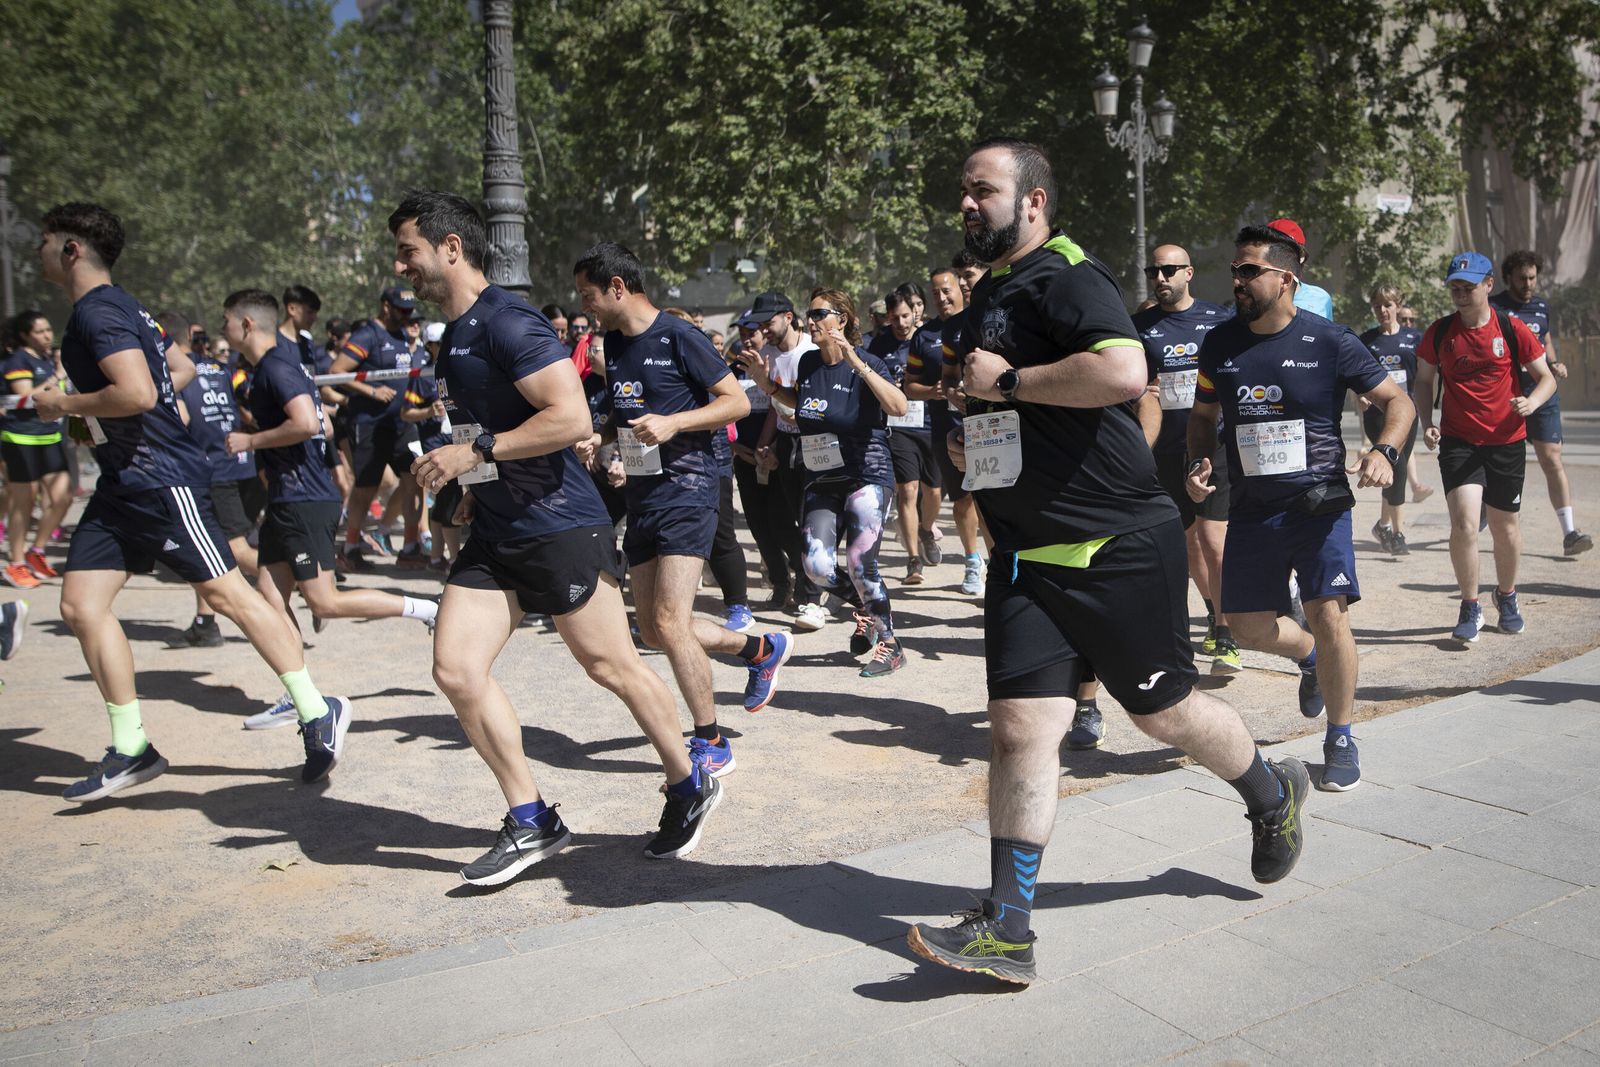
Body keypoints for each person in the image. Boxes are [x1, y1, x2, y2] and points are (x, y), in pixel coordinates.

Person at [907, 141, 1311, 986]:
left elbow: (1125, 371)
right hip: (1025, 554)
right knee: (1020, 729)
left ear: (1035, 201)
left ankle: (1271, 792)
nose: (968, 204)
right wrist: (975, 433)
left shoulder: (1066, 275)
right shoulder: (991, 295)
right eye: (963, 193)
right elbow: (1016, 404)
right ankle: (1008, 925)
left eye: (984, 190)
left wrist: (1011, 383)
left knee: (1164, 715)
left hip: (1115, 545)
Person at [393, 192, 721, 874]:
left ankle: (689, 781)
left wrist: (475, 453)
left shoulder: (508, 322)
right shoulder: (453, 334)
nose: (401, 267)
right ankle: (531, 816)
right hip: (496, 529)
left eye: (409, 251)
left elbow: (570, 418)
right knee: (454, 667)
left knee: (612, 666)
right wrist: (465, 488)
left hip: (559, 525)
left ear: (451, 249)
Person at [30, 202, 350, 800]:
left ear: (71, 249)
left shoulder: (100, 312)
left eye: (45, 241)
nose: (37, 250)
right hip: (123, 483)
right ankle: (132, 748)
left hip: (161, 482)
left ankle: (316, 709)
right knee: (79, 605)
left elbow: (138, 387)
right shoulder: (124, 306)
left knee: (227, 593)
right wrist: (138, 411)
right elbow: (174, 372)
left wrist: (66, 405)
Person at [1187, 224, 1415, 797]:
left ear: (1286, 278)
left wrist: (1385, 450)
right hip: (1254, 509)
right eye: (1235, 270)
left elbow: (1399, 402)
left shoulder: (1330, 340)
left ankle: (1340, 736)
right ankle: (1310, 656)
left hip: (1321, 505)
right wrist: (1198, 460)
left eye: (1249, 271)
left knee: (1328, 611)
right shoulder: (1220, 344)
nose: (1236, 280)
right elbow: (1201, 415)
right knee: (1245, 626)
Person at [576, 241, 791, 781]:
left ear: (618, 287)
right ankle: (759, 647)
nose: (585, 307)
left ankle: (712, 741)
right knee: (652, 629)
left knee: (670, 621)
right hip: (642, 494)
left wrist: (675, 423)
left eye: (588, 295)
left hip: (688, 490)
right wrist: (601, 440)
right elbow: (625, 416)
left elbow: (736, 402)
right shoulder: (613, 342)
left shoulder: (680, 336)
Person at [221, 289, 436, 723]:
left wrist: (251, 440)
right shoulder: (274, 365)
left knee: (324, 603)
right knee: (271, 601)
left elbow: (304, 422)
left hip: (304, 501)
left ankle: (425, 609)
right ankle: (299, 696)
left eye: (225, 321)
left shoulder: (276, 368)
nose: (221, 331)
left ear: (246, 324)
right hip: (286, 498)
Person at [739, 288, 909, 677]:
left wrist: (857, 364)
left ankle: (889, 643)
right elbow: (803, 410)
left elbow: (898, 407)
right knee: (815, 566)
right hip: (822, 476)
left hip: (867, 474)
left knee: (859, 562)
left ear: (842, 320)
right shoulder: (811, 364)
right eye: (808, 314)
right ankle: (865, 605)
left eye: (819, 314)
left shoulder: (869, 362)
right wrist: (767, 384)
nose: (810, 321)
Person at [1414, 252, 1557, 642]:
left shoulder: (1510, 328)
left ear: (1489, 285)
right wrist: (1428, 423)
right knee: (1463, 523)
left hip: (1506, 440)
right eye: (1455, 287)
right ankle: (1470, 603)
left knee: (1504, 527)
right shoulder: (1440, 332)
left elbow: (1546, 378)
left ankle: (1507, 596)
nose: (1460, 293)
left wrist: (1532, 403)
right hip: (1459, 441)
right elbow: (1424, 382)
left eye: (1469, 287)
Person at [1131, 244, 1236, 672]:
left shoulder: (1218, 320)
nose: (1160, 278)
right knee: (1188, 547)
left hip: (1210, 446)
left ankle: (1228, 636)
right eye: (1153, 271)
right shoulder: (1137, 326)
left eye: (1169, 270)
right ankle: (1213, 615)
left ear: (1188, 273)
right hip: (1163, 450)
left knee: (1214, 542)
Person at [165, 310, 265, 649]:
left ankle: (300, 580)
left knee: (233, 549)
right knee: (211, 549)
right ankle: (205, 623)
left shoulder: (171, 372)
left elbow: (181, 416)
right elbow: (248, 407)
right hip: (244, 464)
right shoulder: (222, 369)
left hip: (212, 471)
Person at [1489, 251, 1591, 555]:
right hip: (1506, 397)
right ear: (1508, 278)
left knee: (1552, 459)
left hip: (1541, 394)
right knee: (1497, 462)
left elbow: (1544, 341)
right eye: (1522, 278)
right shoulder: (1494, 307)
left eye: (1532, 277)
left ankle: (1570, 532)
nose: (1528, 284)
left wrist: (1555, 364)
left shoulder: (1542, 306)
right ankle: (1484, 512)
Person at [328, 286, 424, 570]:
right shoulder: (367, 334)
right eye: (401, 310)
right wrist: (371, 392)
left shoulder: (401, 334)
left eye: (409, 311)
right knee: (365, 489)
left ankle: (410, 548)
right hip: (370, 425)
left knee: (414, 479)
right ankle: (350, 548)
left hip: (402, 424)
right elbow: (336, 372)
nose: (406, 316)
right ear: (385, 306)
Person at [747, 290, 825, 628]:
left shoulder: (810, 351)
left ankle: (811, 596)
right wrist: (765, 445)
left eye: (770, 322)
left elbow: (810, 407)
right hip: (783, 447)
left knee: (811, 521)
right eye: (760, 324)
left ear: (789, 317)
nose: (765, 330)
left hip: (814, 445)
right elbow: (772, 411)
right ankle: (812, 575)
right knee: (780, 521)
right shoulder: (765, 356)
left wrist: (796, 418)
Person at [871, 289, 943, 584]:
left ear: (915, 312)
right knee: (908, 490)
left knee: (934, 492)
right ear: (887, 317)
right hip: (897, 427)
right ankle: (913, 560)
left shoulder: (928, 338)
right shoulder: (879, 344)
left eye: (905, 316)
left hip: (930, 422)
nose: (900, 322)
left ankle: (926, 529)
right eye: (894, 317)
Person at [922, 266, 985, 595]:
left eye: (967, 278)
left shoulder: (1006, 312)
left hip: (1002, 427)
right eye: (958, 279)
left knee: (994, 501)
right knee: (963, 500)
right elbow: (948, 376)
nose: (961, 285)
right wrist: (950, 392)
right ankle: (974, 561)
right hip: (956, 427)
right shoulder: (952, 330)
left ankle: (1006, 562)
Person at [3, 310, 73, 587]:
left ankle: (37, 551)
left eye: (48, 330)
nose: (47, 335)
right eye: (40, 331)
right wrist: (57, 375)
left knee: (63, 497)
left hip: (50, 437)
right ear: (24, 335)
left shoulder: (44, 359)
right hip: (20, 438)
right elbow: (26, 397)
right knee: (24, 501)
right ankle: (16, 562)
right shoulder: (17, 360)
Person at [1359, 286, 1424, 554]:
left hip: (1407, 412)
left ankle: (1384, 526)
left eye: (1388, 305)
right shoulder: (1367, 340)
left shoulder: (1414, 338)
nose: (1383, 311)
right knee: (1397, 469)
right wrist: (1361, 395)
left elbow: (1423, 377)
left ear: (1398, 305)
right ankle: (1397, 533)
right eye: (1378, 306)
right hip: (1378, 415)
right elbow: (1357, 377)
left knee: (1396, 468)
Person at [1266, 219, 1335, 320]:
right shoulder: (1250, 298)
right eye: (1272, 250)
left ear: (1301, 256)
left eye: (1285, 251)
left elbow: (1328, 334)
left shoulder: (1320, 298)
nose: (1278, 257)